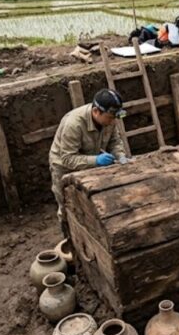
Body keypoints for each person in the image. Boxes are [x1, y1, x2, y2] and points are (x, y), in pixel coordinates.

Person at [49, 88, 128, 240]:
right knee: (67, 207)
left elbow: (114, 141)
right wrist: (96, 161)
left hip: (90, 161)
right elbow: (68, 158)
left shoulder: (110, 119)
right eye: (110, 118)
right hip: (64, 166)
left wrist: (121, 156)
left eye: (115, 118)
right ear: (96, 111)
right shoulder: (74, 124)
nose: (113, 122)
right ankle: (70, 239)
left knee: (90, 204)